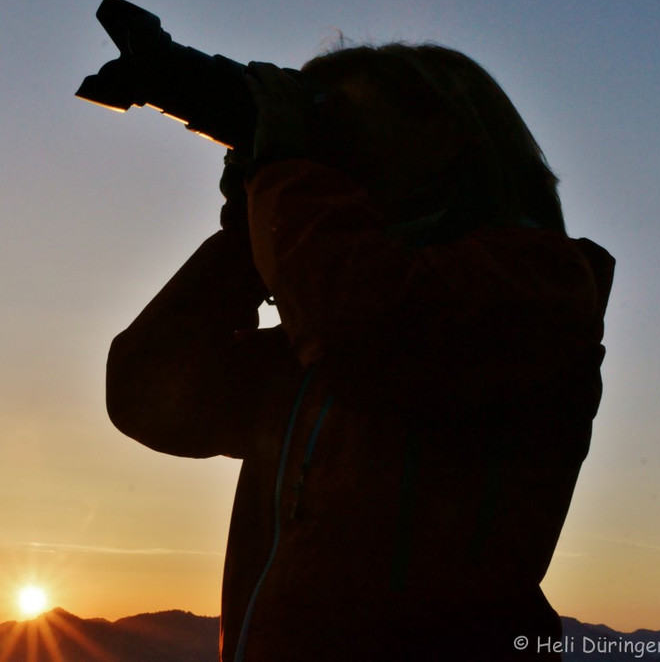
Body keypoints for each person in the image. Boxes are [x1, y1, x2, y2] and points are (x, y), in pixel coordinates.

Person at [106, 43, 615, 661]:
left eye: (342, 122)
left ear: (442, 138)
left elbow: (368, 333)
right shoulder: (325, 336)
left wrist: (287, 174)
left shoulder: (539, 285)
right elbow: (150, 393)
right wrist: (247, 234)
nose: (327, 148)